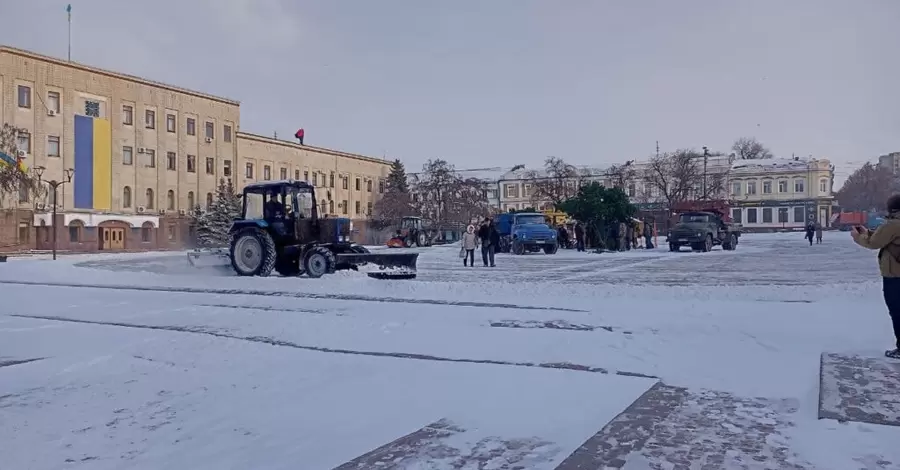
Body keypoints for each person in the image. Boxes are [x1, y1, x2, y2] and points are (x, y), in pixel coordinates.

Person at [851, 194, 900, 359]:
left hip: (895, 275)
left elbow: (874, 243)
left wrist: (859, 237)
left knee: (897, 311)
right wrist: (870, 233)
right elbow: (887, 239)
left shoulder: (893, 224)